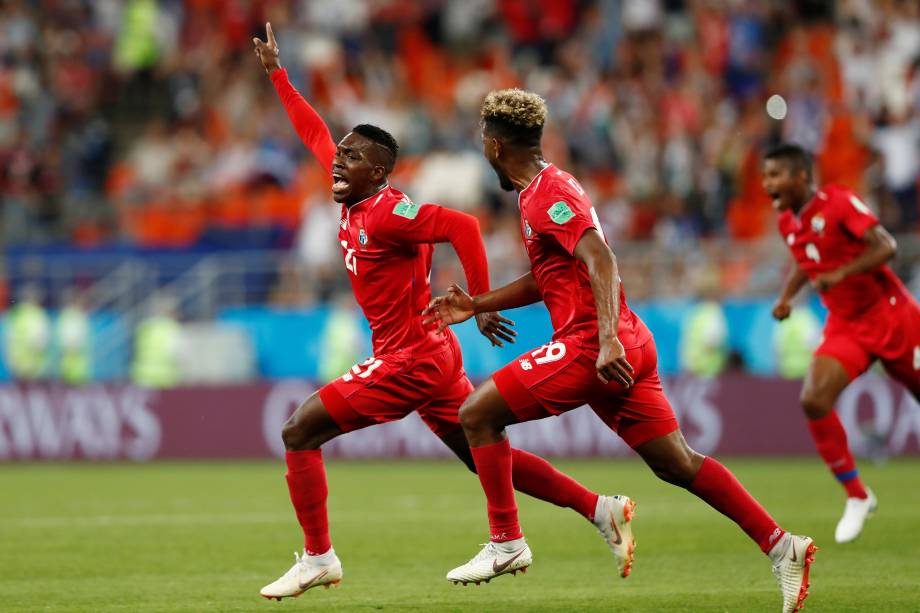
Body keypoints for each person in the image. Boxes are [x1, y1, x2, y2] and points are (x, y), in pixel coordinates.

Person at [252, 24, 625, 601]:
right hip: (430, 355)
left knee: (298, 430)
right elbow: (314, 133)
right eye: (341, 154)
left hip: (410, 358)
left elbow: (463, 225)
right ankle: (598, 508)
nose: (337, 162)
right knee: (485, 457)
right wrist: (278, 73)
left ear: (377, 173)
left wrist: (477, 300)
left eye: (350, 158)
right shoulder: (352, 193)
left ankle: (319, 557)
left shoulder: (385, 213)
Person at [424, 90, 815, 613]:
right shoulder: (540, 192)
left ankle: (506, 542)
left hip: (593, 344)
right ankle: (782, 545)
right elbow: (550, 276)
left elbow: (601, 259)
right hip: (624, 338)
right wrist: (478, 303)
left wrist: (606, 337)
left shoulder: (546, 193)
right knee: (679, 464)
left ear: (494, 147)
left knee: (474, 414)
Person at [763, 143, 919, 543]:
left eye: (775, 175)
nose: (767, 184)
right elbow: (805, 258)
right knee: (813, 399)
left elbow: (886, 246)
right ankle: (857, 494)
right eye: (765, 176)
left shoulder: (839, 202)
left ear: (801, 176)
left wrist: (842, 273)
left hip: (892, 316)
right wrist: (786, 296)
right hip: (847, 325)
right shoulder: (787, 221)